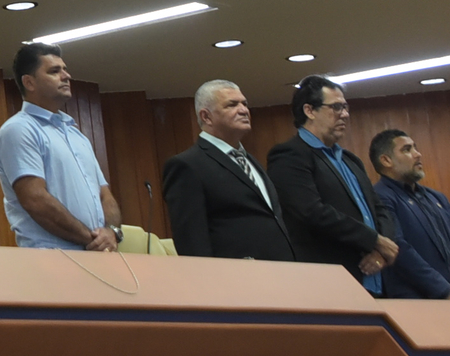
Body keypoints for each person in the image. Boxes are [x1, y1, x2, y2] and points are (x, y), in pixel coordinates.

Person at [266, 77, 398, 292]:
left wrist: (382, 250)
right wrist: (373, 240)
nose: (344, 114)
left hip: (375, 277)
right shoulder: (290, 155)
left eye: (345, 107)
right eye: (336, 107)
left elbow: (379, 209)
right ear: (309, 110)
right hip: (328, 280)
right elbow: (310, 211)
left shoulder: (350, 160)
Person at [0, 43, 120, 251]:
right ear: (29, 82)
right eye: (54, 71)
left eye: (65, 69)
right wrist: (93, 240)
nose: (66, 76)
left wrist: (112, 231)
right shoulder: (19, 129)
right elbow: (35, 200)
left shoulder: (76, 135)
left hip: (95, 254)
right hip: (51, 256)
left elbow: (105, 194)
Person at [160, 81, 294, 261]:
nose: (244, 110)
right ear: (206, 116)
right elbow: (191, 240)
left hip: (282, 267)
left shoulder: (249, 159)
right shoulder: (187, 165)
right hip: (236, 274)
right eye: (232, 105)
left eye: (244, 104)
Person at [368, 128, 450, 300]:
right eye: (407, 150)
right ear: (386, 160)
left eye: (415, 148)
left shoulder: (437, 197)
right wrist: (444, 290)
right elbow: (399, 249)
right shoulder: (379, 196)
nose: (418, 154)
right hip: (416, 301)